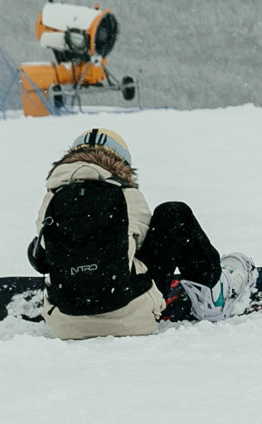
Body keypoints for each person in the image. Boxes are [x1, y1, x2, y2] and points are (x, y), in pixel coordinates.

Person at [27, 128, 247, 339]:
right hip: (133, 316)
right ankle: (214, 293)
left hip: (65, 324)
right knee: (173, 213)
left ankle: (79, 306)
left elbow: (42, 258)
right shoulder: (125, 195)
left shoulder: (51, 200)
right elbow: (143, 243)